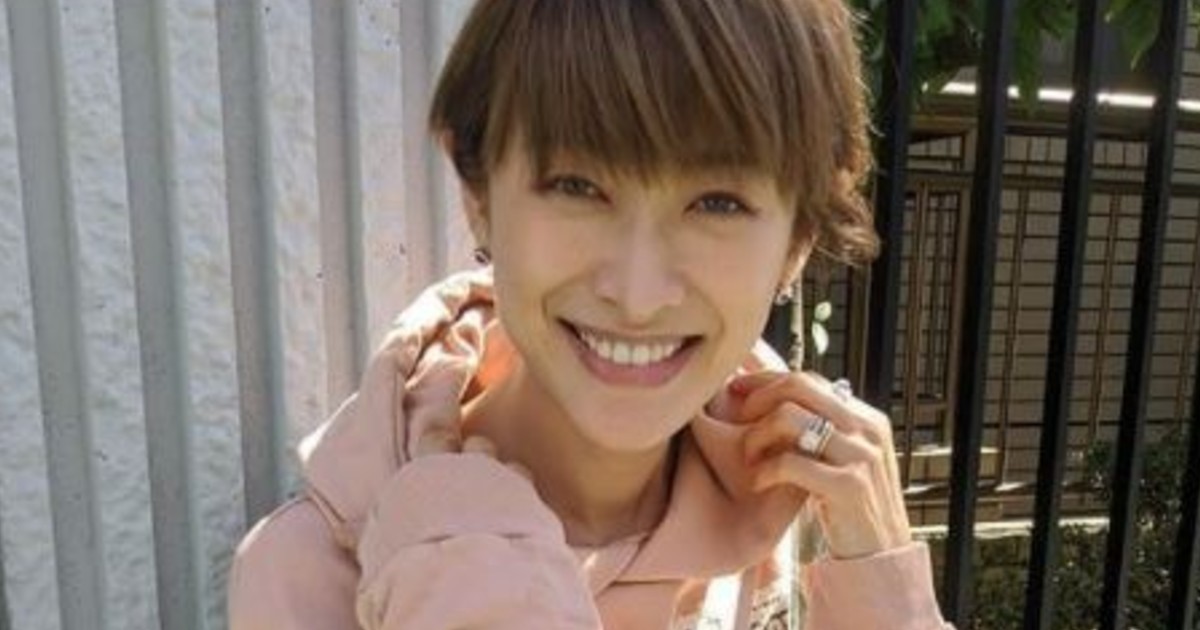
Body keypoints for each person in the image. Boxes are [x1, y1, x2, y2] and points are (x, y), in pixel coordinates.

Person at [227, 0, 952, 628]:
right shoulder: (313, 575)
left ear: (798, 237)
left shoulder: (802, 518)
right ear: (478, 193)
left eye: (718, 202)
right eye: (577, 186)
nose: (637, 295)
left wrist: (885, 601)